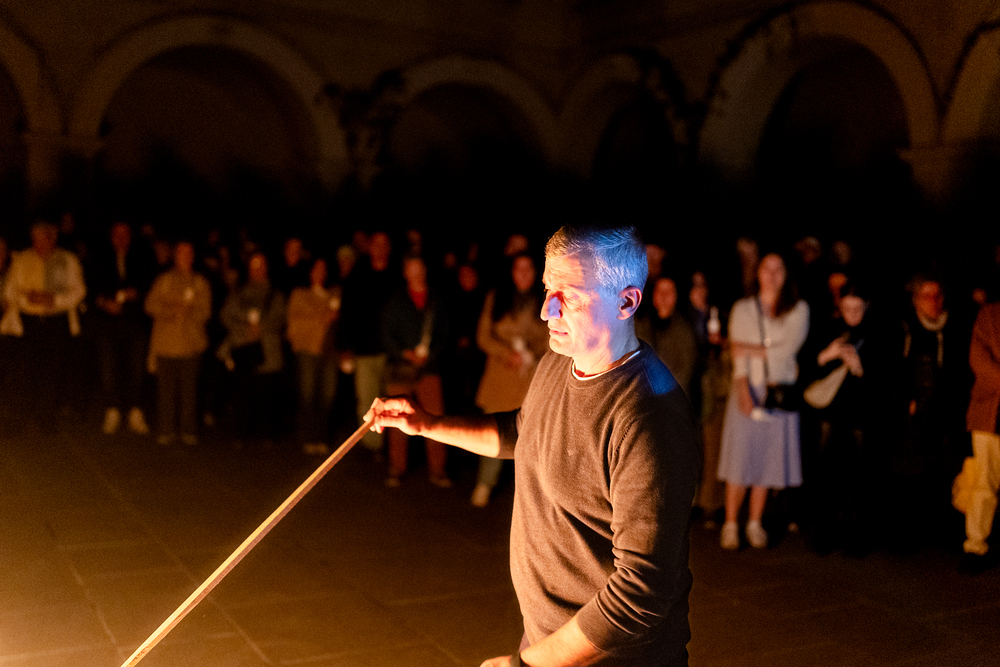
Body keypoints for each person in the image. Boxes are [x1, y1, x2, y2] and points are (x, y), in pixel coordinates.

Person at [368, 225, 699, 667]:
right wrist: (428, 424)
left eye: (569, 296)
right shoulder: (558, 362)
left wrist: (526, 664)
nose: (547, 311)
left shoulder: (648, 417)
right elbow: (524, 432)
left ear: (627, 302)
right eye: (547, 289)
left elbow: (639, 595)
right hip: (549, 645)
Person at [717, 252, 809, 550]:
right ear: (758, 272)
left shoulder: (798, 309)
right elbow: (738, 357)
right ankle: (731, 524)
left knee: (768, 459)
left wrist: (749, 348)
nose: (772, 274)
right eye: (766, 268)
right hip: (749, 387)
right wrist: (744, 390)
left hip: (780, 392)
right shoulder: (743, 308)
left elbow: (789, 349)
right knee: (740, 457)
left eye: (778, 268)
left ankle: (755, 522)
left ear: (786, 273)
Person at [470, 252, 548, 507]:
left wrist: (532, 354)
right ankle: (485, 483)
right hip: (500, 377)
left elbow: (553, 337)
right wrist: (507, 353)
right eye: (518, 268)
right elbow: (483, 336)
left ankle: (531, 497)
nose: (523, 274)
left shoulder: (546, 298)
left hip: (531, 378)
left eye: (529, 268)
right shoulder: (497, 297)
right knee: (494, 431)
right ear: (511, 272)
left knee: (532, 436)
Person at [1, 220, 86, 429]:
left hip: (56, 321)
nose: (38, 244)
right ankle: (21, 415)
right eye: (35, 240)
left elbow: (78, 291)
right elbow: (11, 291)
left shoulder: (67, 259)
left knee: (51, 370)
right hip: (28, 321)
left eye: (42, 239)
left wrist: (54, 300)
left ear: (52, 238)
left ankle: (45, 415)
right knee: (26, 369)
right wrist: (29, 299)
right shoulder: (22, 259)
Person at [381, 254, 451, 487]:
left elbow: (444, 332)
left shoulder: (436, 299)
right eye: (411, 269)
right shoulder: (396, 300)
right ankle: (396, 467)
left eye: (419, 268)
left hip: (429, 368)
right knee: (396, 418)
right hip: (401, 369)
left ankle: (438, 470)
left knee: (434, 418)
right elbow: (387, 332)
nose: (416, 273)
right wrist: (404, 352)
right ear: (405, 273)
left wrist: (430, 355)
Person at [144, 241, 212, 445]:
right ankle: (166, 429)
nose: (185, 256)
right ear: (175, 255)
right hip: (166, 343)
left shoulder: (200, 282)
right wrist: (171, 311)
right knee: (166, 390)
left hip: (191, 343)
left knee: (189, 390)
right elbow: (150, 305)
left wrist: (189, 311)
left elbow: (206, 311)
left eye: (189, 252)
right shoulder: (164, 280)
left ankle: (188, 429)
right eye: (181, 252)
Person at [89, 221, 154, 436]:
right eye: (117, 234)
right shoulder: (100, 257)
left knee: (136, 368)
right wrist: (103, 302)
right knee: (108, 368)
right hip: (106, 322)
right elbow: (90, 286)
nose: (121, 238)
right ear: (111, 236)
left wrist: (137, 293)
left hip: (135, 322)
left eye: (125, 234)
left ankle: (135, 411)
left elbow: (150, 283)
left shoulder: (141, 257)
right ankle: (113, 410)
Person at [960, 300, 1000, 572]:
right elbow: (979, 359)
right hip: (990, 412)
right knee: (984, 482)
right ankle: (975, 545)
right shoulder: (990, 314)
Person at [286, 257, 341, 455]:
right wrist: (323, 318)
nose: (320, 273)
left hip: (330, 351)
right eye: (316, 269)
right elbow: (295, 323)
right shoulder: (300, 294)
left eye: (324, 269)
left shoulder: (334, 294)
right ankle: (307, 437)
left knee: (328, 395)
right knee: (308, 395)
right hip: (307, 351)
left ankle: (322, 437)